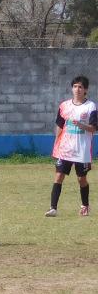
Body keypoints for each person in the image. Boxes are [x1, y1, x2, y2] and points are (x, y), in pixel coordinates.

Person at [46, 75, 96, 217]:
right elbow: (59, 126)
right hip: (65, 149)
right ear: (72, 88)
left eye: (80, 87)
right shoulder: (64, 106)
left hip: (82, 150)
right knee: (59, 176)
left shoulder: (90, 106)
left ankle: (85, 205)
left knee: (81, 179)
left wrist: (81, 125)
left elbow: (93, 128)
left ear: (85, 89)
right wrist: (56, 144)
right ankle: (53, 208)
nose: (77, 89)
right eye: (75, 86)